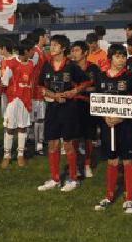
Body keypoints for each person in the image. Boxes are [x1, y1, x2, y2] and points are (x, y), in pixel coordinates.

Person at [93, 43, 132, 213]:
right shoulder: (101, 77)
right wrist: (106, 117)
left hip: (128, 127)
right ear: (110, 58)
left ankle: (129, 199)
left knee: (127, 160)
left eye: (124, 56)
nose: (122, 59)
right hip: (108, 126)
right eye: (118, 56)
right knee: (111, 160)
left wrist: (121, 117)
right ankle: (109, 196)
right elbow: (97, 102)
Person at [36, 34, 88, 192]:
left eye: (55, 45)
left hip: (69, 109)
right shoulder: (46, 65)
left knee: (68, 144)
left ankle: (73, 179)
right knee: (52, 143)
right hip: (52, 108)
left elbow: (86, 81)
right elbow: (39, 86)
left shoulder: (71, 66)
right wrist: (52, 95)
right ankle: (55, 178)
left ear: (63, 48)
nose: (51, 47)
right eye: (50, 45)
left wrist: (74, 91)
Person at [70, 40, 103, 178]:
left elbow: (99, 86)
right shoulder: (69, 67)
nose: (74, 53)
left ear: (85, 53)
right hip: (73, 106)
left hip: (89, 105)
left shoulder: (93, 68)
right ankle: (77, 165)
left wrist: (81, 89)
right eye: (72, 50)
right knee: (74, 138)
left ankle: (87, 165)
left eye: (77, 50)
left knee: (89, 137)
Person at [0, 39, 35, 168]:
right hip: (13, 100)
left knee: (23, 127)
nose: (33, 53)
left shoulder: (31, 64)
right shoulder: (12, 63)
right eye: (31, 50)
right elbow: (4, 81)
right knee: (10, 128)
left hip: (25, 101)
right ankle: (6, 155)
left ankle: (20, 154)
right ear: (26, 51)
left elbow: (31, 82)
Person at [28, 28, 49, 155]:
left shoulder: (40, 51)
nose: (47, 38)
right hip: (36, 91)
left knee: (40, 118)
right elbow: (30, 70)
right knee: (39, 119)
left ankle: (38, 140)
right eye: (45, 36)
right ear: (41, 37)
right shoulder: (36, 53)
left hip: (40, 89)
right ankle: (38, 145)